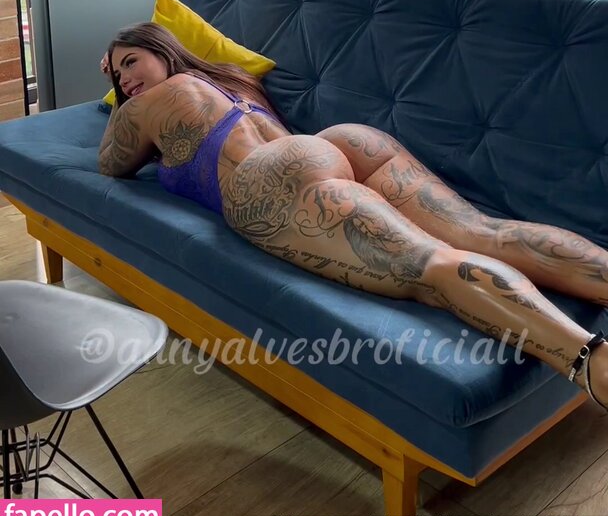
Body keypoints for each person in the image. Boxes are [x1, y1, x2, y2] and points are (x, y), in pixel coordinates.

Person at [99, 22, 608, 409]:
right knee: (483, 232)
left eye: (131, 62)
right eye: (116, 73)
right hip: (337, 143)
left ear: (163, 50)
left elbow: (111, 163)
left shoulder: (144, 107)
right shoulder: (232, 82)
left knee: (433, 267)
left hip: (271, 179)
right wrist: (130, 78)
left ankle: (593, 363)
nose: (124, 78)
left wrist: (122, 100)